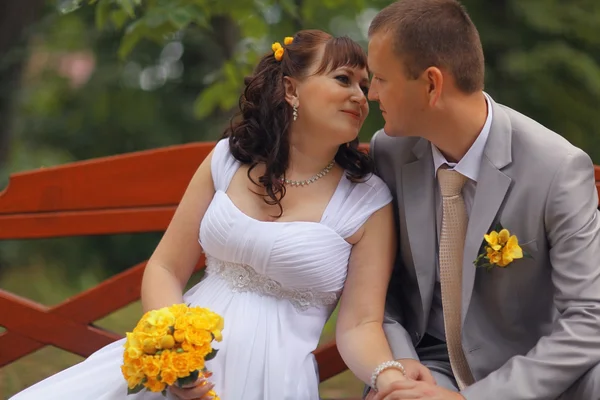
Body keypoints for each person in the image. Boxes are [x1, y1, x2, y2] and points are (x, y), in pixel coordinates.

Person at [9, 29, 407, 400]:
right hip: (183, 368)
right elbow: (165, 267)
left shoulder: (367, 201)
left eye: (365, 86)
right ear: (290, 89)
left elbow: (359, 325)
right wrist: (175, 356)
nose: (360, 96)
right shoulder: (228, 160)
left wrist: (389, 377)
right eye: (343, 79)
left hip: (273, 381)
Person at [363, 0, 600, 399]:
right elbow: (380, 292)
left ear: (432, 85)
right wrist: (403, 367)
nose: (370, 93)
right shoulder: (390, 152)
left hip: (536, 374)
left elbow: (590, 318)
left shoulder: (556, 169)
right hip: (431, 367)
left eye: (381, 79)